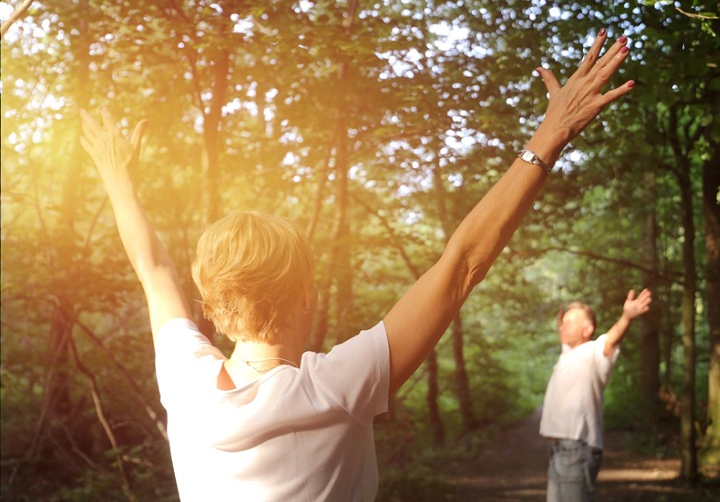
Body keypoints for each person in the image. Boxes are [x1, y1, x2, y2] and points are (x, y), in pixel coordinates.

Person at [79, 28, 635, 502]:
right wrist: (551, 133)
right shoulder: (337, 388)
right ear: (305, 295)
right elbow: (462, 262)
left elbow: (153, 269)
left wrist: (116, 178)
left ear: (215, 306)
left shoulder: (184, 381)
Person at [540, 289, 653, 502]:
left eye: (570, 323)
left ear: (587, 329)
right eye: (562, 322)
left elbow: (611, 339)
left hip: (577, 449)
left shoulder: (595, 352)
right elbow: (562, 327)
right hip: (556, 451)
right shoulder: (567, 354)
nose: (563, 327)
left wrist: (626, 317)